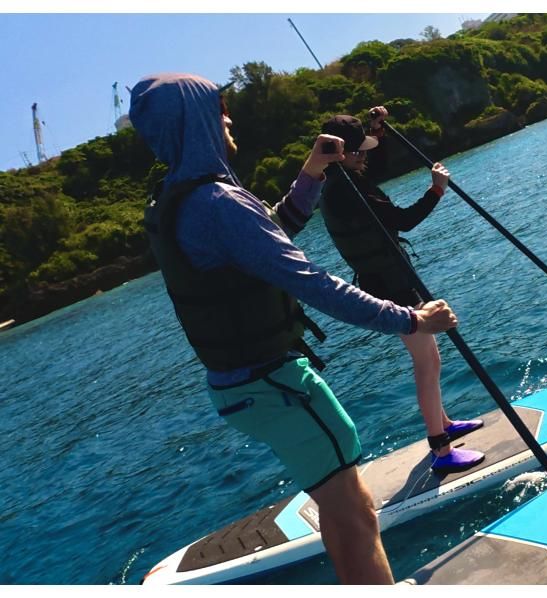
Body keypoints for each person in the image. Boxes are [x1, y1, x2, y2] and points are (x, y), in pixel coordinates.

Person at [129, 73, 459, 584]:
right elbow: (312, 282)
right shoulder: (219, 204)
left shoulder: (177, 200)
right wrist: (412, 318)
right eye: (218, 108)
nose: (228, 118)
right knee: (354, 512)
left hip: (240, 388)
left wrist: (311, 172)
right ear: (195, 121)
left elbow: (270, 233)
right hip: (276, 384)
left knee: (339, 505)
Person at [319, 107, 485, 473]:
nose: (365, 157)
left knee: (431, 357)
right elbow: (404, 220)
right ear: (344, 153)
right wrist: (437, 189)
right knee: (426, 361)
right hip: (390, 286)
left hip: (391, 279)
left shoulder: (342, 181)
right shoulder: (347, 192)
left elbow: (374, 171)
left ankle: (444, 423)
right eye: (360, 151)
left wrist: (379, 131)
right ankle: (440, 448)